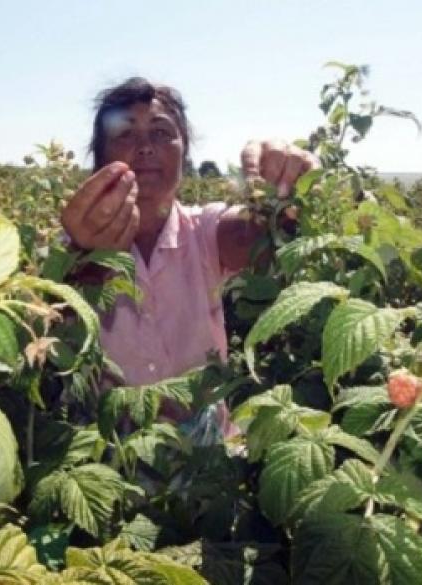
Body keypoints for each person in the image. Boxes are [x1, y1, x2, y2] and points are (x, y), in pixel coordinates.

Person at [61, 77, 317, 434]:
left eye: (162, 132)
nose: (145, 147)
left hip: (205, 466)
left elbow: (255, 239)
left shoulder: (204, 230)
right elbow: (49, 332)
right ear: (101, 159)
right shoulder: (69, 247)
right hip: (110, 461)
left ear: (185, 153)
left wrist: (283, 193)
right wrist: (83, 261)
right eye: (125, 134)